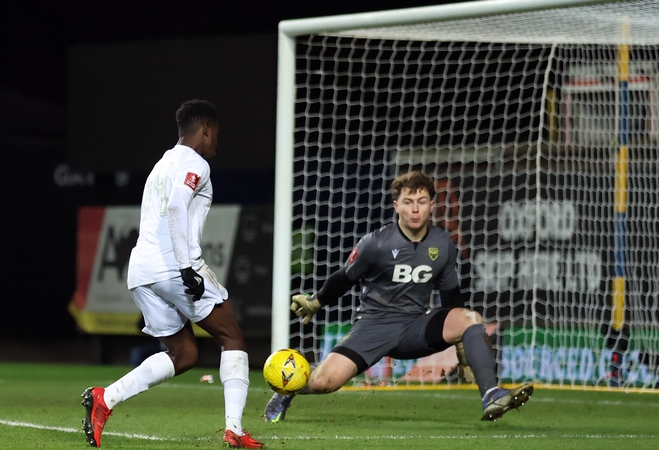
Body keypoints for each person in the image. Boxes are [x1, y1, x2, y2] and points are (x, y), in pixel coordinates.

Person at [264, 171, 533, 423]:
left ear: (431, 206)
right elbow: (345, 277)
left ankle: (490, 395)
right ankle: (290, 388)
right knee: (325, 382)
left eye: (421, 201)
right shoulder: (376, 243)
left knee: (471, 318)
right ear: (396, 205)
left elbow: (451, 297)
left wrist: (463, 347)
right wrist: (316, 301)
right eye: (408, 202)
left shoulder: (443, 244)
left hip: (416, 326)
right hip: (374, 325)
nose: (415, 209)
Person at [81, 100, 264, 449]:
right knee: (232, 338)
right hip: (173, 267)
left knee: (185, 354)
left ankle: (106, 398)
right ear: (206, 129)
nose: (216, 143)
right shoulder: (195, 163)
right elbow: (178, 204)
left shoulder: (162, 163)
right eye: (217, 135)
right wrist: (185, 266)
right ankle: (235, 429)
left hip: (142, 271)